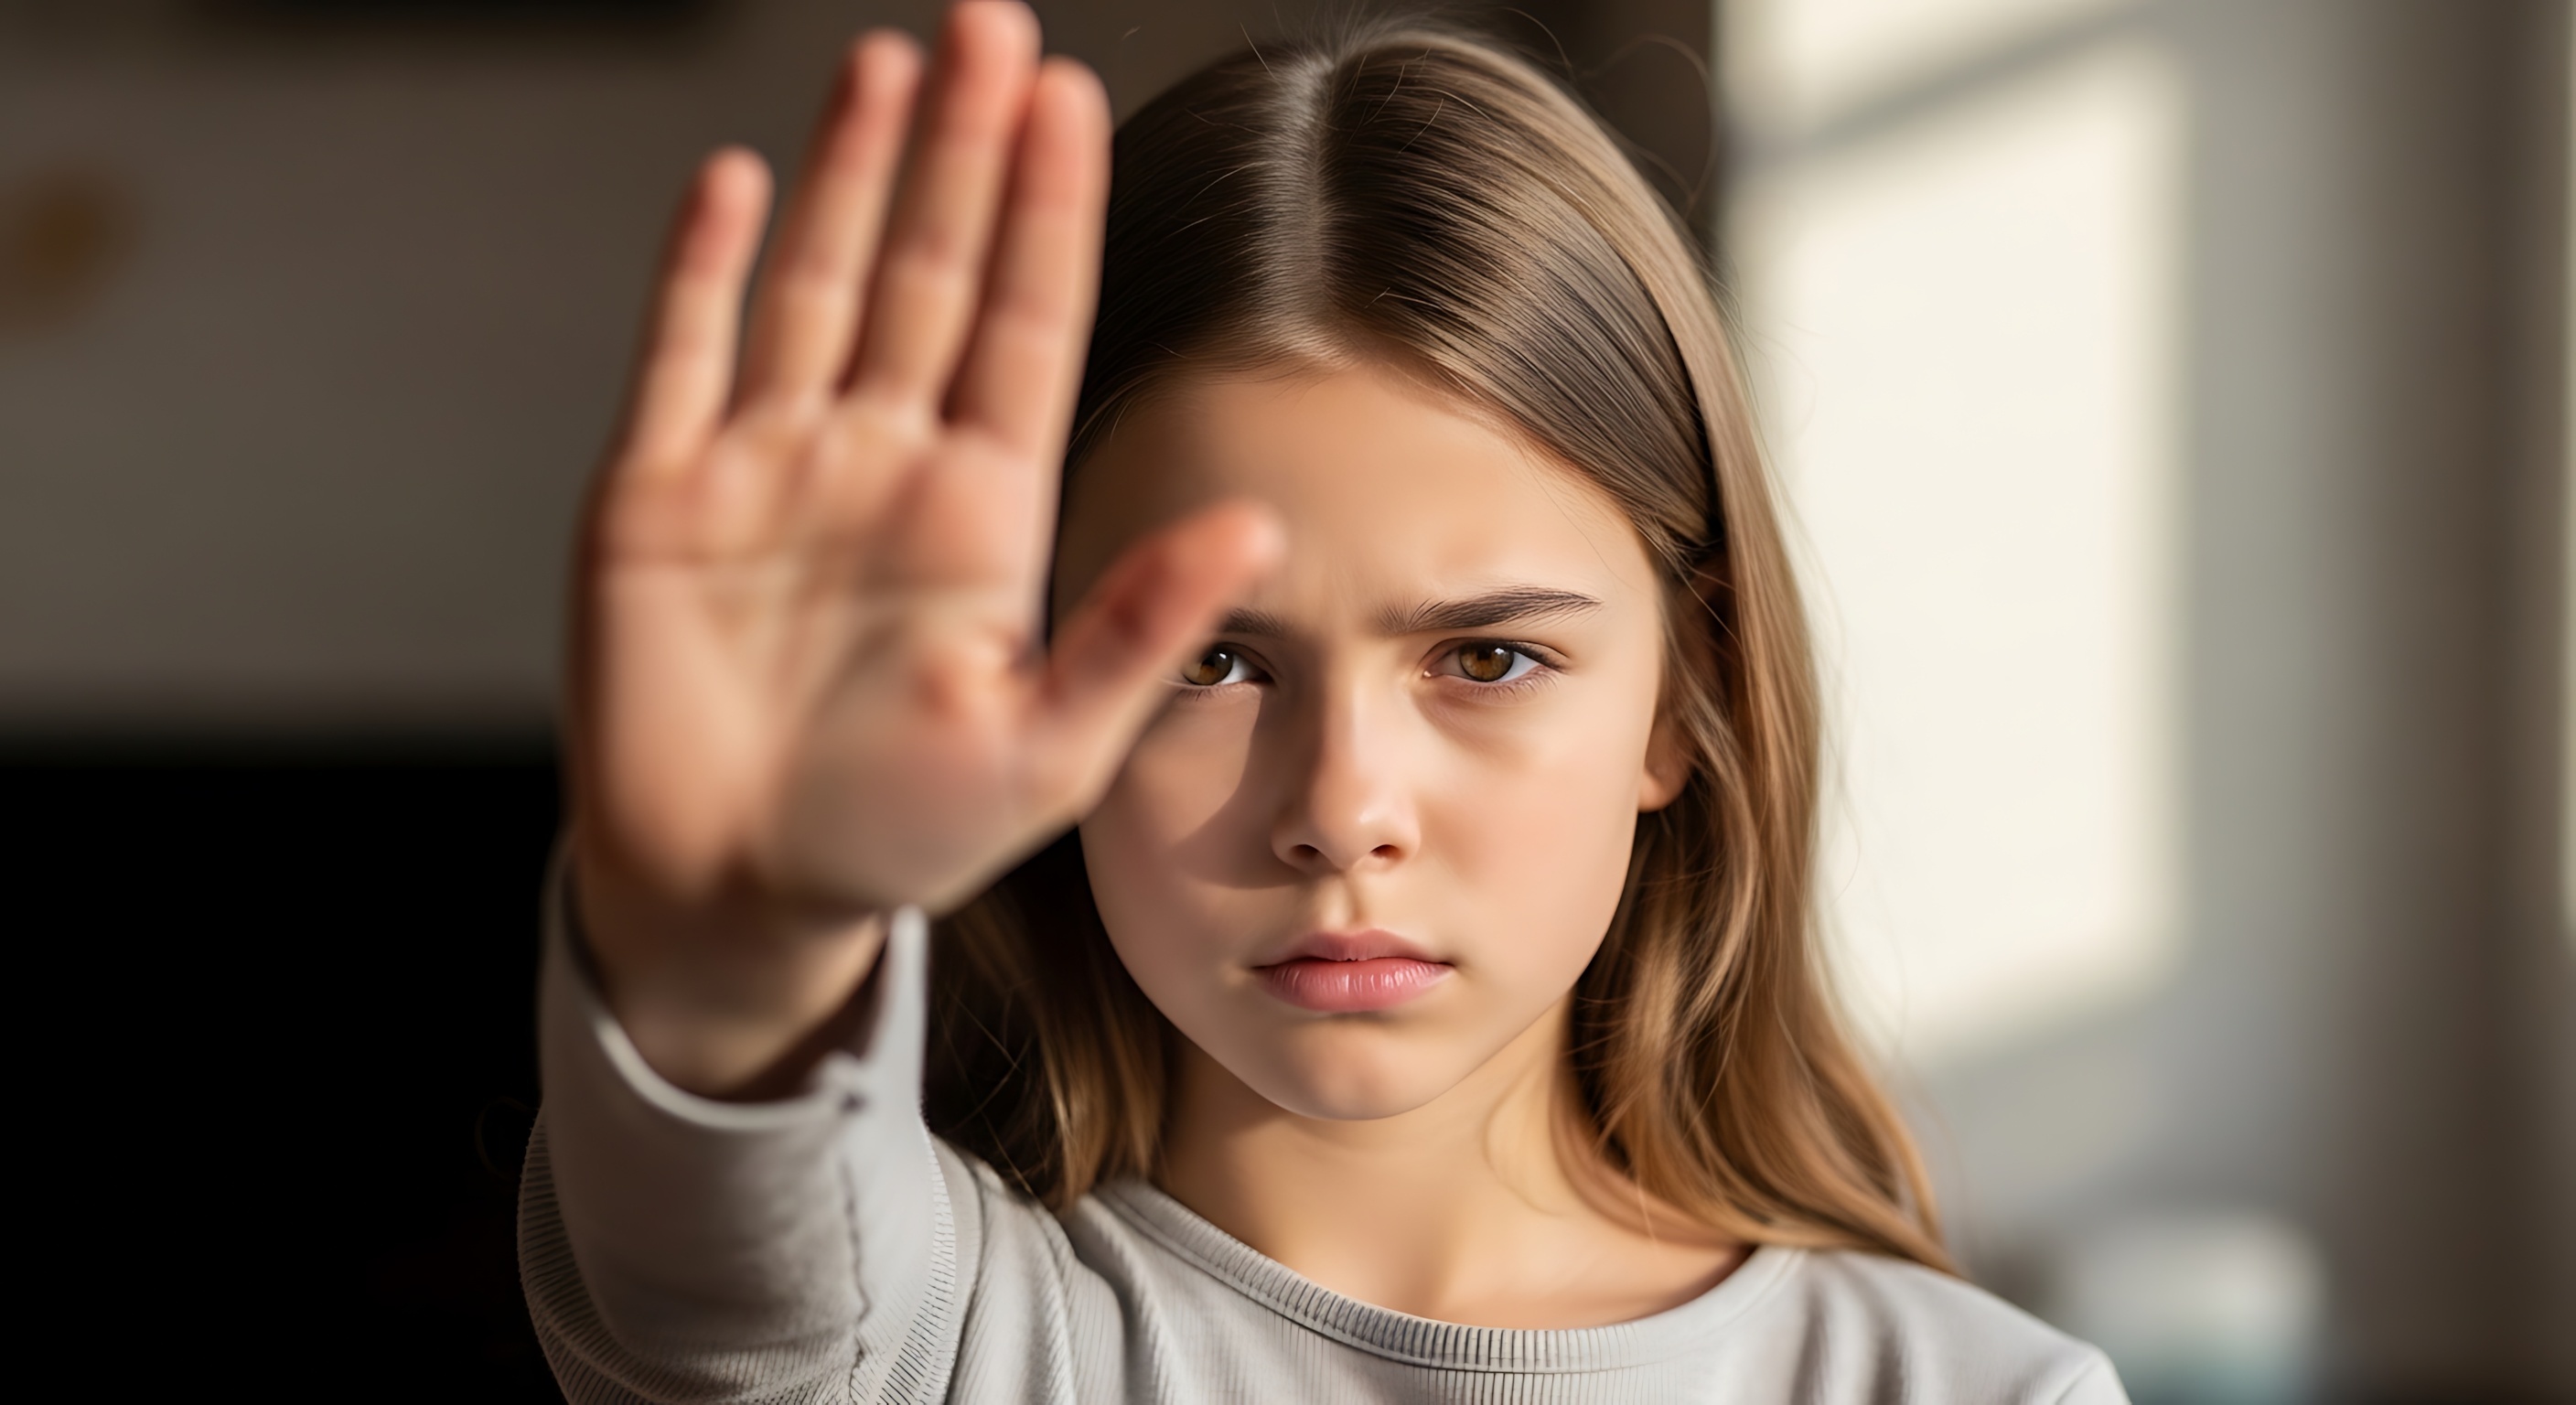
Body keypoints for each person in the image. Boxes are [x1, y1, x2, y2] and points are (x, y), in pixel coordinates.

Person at [519, 3, 2129, 1400]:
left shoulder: (1977, 1392)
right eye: (1208, 662)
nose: (1342, 809)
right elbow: (725, 1265)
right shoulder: (914, 1356)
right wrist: (735, 941)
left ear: (1683, 698)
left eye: (1487, 658)